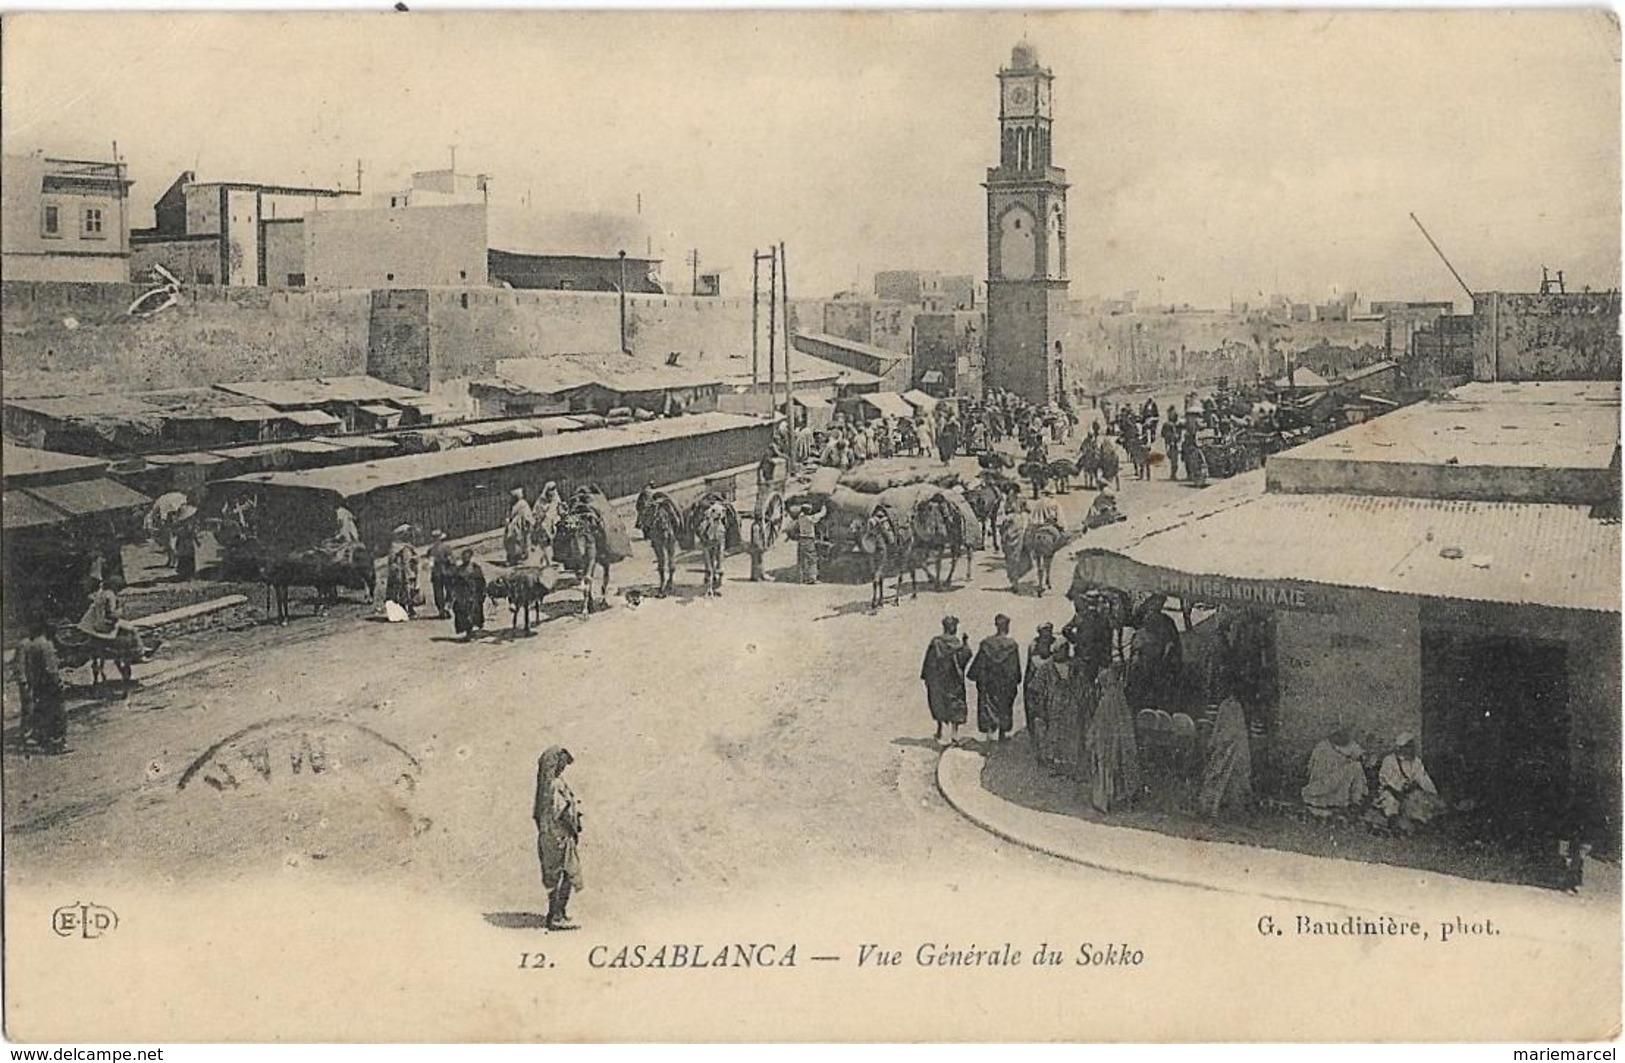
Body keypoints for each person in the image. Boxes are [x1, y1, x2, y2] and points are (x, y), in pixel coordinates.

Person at [533, 746, 584, 931]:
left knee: (558, 875)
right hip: (559, 836)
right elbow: (561, 811)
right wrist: (573, 827)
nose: (563, 766)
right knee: (566, 874)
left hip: (551, 836)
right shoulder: (554, 785)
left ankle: (557, 913)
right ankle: (555, 915)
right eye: (561, 763)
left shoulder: (549, 785)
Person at [1083, 663, 1142, 813]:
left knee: (1105, 769)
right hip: (1118, 740)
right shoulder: (1119, 698)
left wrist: (1091, 737)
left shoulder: (1108, 700)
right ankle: (1119, 798)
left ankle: (1105, 801)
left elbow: (1099, 722)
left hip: (1107, 740)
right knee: (1117, 768)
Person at [1196, 696, 1254, 818]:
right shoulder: (1228, 705)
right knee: (1217, 776)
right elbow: (1220, 728)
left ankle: (1225, 808)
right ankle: (1211, 807)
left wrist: (1219, 742)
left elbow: (1227, 730)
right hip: (1225, 748)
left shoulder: (1231, 706)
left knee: (1228, 779)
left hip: (1230, 748)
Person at [968, 614, 1022, 742]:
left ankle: (989, 735)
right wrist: (1015, 680)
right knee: (1004, 706)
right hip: (1005, 683)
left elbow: (979, 665)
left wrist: (976, 677)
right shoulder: (1012, 645)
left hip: (989, 683)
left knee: (988, 706)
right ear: (1007, 626)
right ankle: (1002, 734)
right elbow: (1014, 668)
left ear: (996, 626)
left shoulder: (986, 643)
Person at [16, 617, 66, 753]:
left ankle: (44, 739)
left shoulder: (32, 644)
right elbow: (51, 669)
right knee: (57, 712)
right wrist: (59, 683)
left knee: (42, 711)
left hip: (38, 683)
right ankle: (57, 743)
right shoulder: (46, 645)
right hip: (49, 683)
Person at [920, 616, 972, 746]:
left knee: (938, 702)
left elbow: (929, 662)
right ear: (954, 628)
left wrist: (927, 677)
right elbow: (965, 657)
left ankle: (939, 730)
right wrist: (966, 643)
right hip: (953, 681)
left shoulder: (936, 642)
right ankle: (954, 734)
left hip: (938, 680)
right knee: (955, 704)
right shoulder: (958, 645)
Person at [1376, 734, 1445, 832]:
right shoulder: (1389, 760)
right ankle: (1391, 822)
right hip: (1391, 792)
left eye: (1411, 747)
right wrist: (1400, 785)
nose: (1409, 750)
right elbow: (1385, 778)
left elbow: (1423, 778)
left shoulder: (1416, 762)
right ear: (1400, 748)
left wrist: (1433, 793)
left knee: (1421, 805)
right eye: (1406, 747)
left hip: (1408, 793)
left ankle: (1414, 822)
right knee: (1391, 804)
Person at [1302, 727, 1369, 816]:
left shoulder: (1351, 745)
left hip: (1340, 783)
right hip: (1324, 782)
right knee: (1355, 767)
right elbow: (1315, 771)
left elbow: (1360, 755)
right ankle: (1353, 801)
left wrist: (1361, 758)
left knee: (1357, 767)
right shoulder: (1323, 747)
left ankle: (1355, 801)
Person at [1024, 623, 1058, 764]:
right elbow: (1029, 672)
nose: (1046, 636)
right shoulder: (1033, 649)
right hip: (1037, 691)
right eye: (1043, 633)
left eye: (1048, 633)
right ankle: (1040, 752)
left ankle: (1049, 753)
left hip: (1050, 690)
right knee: (1037, 721)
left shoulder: (1055, 650)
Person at [450, 549, 487, 640]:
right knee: (464, 613)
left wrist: (483, 592)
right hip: (463, 595)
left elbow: (481, 581)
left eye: (467, 557)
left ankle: (474, 631)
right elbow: (455, 583)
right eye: (463, 557)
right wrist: (454, 594)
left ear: (470, 557)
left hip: (474, 594)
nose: (464, 559)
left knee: (475, 612)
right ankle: (468, 631)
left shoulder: (476, 568)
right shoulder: (459, 570)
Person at [788, 504, 826, 585]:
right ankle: (812, 578)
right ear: (809, 511)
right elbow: (819, 515)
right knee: (812, 559)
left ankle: (800, 579)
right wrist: (823, 508)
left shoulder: (800, 518)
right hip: (809, 540)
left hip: (801, 539)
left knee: (802, 559)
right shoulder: (810, 519)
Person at [386, 527, 419, 618]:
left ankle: (411, 609)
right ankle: (403, 610)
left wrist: (414, 559)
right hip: (400, 573)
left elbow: (415, 558)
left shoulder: (408, 547)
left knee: (411, 590)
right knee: (402, 591)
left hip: (409, 572)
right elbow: (392, 561)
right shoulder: (396, 547)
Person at [427, 531, 454, 618]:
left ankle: (441, 610)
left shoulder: (431, 550)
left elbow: (430, 564)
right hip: (447, 572)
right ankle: (447, 606)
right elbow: (451, 560)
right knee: (450, 590)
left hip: (436, 574)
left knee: (438, 592)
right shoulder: (447, 548)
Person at [533, 482, 562, 566]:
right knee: (545, 544)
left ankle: (547, 560)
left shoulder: (556, 499)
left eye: (553, 490)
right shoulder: (541, 501)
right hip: (543, 525)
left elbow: (560, 510)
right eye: (550, 490)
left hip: (554, 524)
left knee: (551, 544)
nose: (552, 493)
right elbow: (535, 512)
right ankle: (547, 562)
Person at [505, 487, 533, 567]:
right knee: (510, 541)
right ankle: (512, 558)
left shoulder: (523, 503)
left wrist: (526, 521)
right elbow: (509, 513)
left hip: (520, 525)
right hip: (512, 526)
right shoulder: (512, 504)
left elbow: (527, 513)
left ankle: (520, 557)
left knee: (521, 541)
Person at [172, 513, 200, 580]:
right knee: (185, 559)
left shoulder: (186, 528)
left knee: (187, 559)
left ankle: (188, 574)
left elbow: (193, 535)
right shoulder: (185, 528)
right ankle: (186, 574)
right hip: (185, 545)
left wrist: (197, 542)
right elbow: (193, 535)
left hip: (186, 545)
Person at [1161, 413, 1182, 480]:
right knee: (1174, 461)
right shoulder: (1175, 425)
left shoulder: (1167, 424)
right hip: (1173, 445)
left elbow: (1162, 434)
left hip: (1169, 444)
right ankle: (1173, 475)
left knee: (1173, 460)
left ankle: (1173, 474)